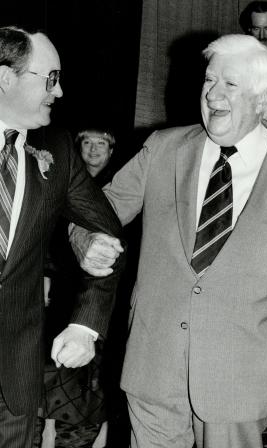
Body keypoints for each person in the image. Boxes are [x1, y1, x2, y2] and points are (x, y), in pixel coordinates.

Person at [71, 34, 267, 448]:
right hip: (153, 366)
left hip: (241, 379)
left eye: (230, 84)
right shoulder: (162, 148)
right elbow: (94, 210)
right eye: (209, 80)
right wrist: (83, 238)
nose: (213, 94)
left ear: (262, 99)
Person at [0, 26, 124, 448]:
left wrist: (86, 324)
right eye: (50, 78)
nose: (60, 91)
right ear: (6, 78)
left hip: (13, 383)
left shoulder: (56, 148)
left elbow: (107, 234)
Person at [41, 127, 117, 448]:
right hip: (62, 298)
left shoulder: (121, 189)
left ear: (112, 151)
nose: (94, 150)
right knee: (54, 391)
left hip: (106, 307)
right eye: (87, 142)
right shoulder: (58, 183)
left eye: (102, 144)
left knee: (95, 399)